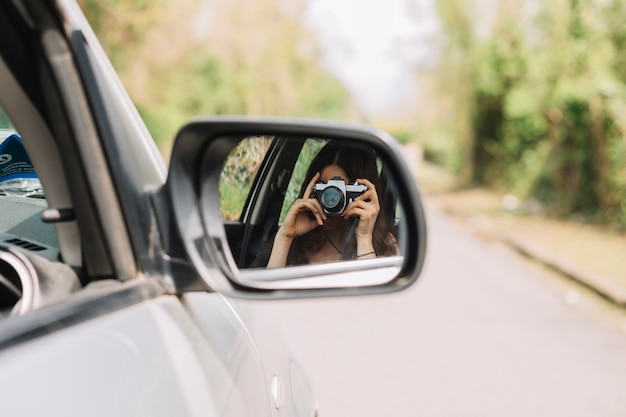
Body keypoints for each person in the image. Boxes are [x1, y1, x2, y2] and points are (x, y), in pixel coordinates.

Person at [267, 142, 399, 268]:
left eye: (340, 191)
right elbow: (268, 289)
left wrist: (364, 238)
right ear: (312, 189)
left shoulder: (385, 243)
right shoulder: (296, 240)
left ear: (362, 194)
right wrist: (285, 236)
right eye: (324, 188)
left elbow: (376, 291)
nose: (329, 200)